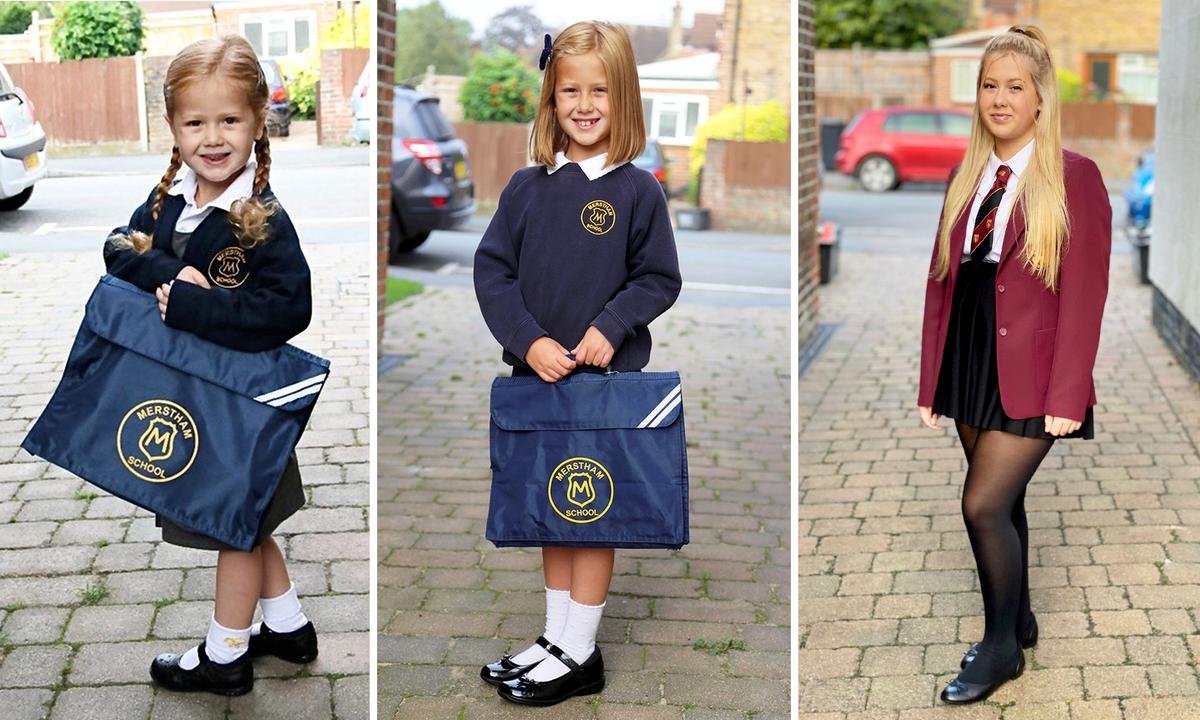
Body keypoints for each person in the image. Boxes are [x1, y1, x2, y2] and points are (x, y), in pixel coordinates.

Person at [472, 21, 682, 707]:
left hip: (604, 386)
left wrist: (609, 327)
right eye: (571, 90)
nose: (586, 104)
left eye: (601, 91)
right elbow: (493, 272)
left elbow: (658, 279)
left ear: (625, 99)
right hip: (538, 381)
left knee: (589, 511)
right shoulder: (526, 188)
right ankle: (555, 639)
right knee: (548, 513)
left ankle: (581, 652)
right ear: (551, 98)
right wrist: (528, 338)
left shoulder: (637, 191)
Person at [104, 35, 318, 696]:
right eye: (196, 122)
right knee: (246, 524)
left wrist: (197, 307)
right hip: (192, 403)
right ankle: (287, 626)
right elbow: (118, 248)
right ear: (173, 128)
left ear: (258, 121)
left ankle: (226, 655)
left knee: (235, 528)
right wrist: (174, 271)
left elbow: (290, 308)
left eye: (230, 119)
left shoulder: (262, 219)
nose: (214, 137)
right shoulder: (168, 202)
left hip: (241, 413)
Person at [917, 25, 1111, 704]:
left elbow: (1086, 294)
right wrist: (929, 378)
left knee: (982, 503)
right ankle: (1019, 617)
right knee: (1007, 501)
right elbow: (943, 279)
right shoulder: (966, 172)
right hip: (969, 356)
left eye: (1014, 87)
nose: (999, 99)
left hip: (1034, 365)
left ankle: (1000, 650)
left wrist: (1070, 391)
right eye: (989, 86)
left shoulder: (1074, 176)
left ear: (1038, 99)